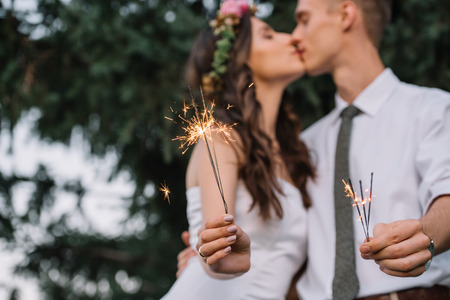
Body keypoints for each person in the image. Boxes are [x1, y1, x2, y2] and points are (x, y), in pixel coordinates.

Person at [194, 0, 450, 299]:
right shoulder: (305, 146)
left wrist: (425, 235)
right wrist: (205, 254)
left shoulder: (433, 109)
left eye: (303, 20)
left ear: (345, 14)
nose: (295, 36)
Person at [162, 0, 315, 299]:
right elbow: (217, 252)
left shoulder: (292, 154)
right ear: (240, 60)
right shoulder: (222, 139)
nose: (292, 38)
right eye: (269, 35)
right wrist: (215, 257)